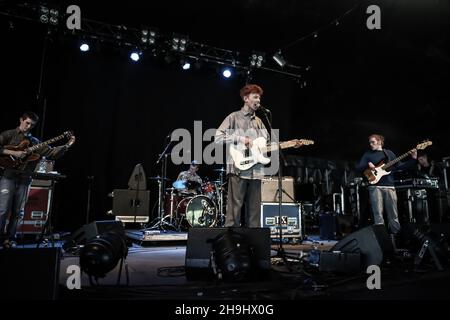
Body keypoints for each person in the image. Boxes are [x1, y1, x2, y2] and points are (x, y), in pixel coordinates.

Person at [0, 111, 75, 248]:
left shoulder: (34, 142)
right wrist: (14, 152)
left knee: (18, 212)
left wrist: (67, 145)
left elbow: (51, 153)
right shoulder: (8, 134)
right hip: (8, 176)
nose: (28, 126)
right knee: (3, 209)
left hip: (24, 179)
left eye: (32, 125)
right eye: (27, 123)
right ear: (21, 120)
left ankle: (9, 239)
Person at [215, 84, 269, 228]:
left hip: (256, 170)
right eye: (255, 97)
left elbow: (266, 144)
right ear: (246, 98)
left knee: (254, 213)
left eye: (259, 97)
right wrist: (239, 138)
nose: (258, 100)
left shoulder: (259, 121)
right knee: (234, 211)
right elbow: (218, 137)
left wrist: (286, 145)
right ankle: (230, 244)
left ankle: (253, 245)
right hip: (237, 168)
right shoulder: (234, 117)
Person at [356, 134, 417, 237]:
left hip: (390, 186)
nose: (371, 144)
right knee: (378, 215)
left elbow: (400, 166)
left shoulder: (389, 154)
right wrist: (368, 165)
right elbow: (358, 167)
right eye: (370, 142)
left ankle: (397, 237)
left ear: (380, 141)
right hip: (375, 187)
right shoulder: (368, 154)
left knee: (393, 214)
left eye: (373, 142)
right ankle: (381, 238)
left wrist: (413, 159)